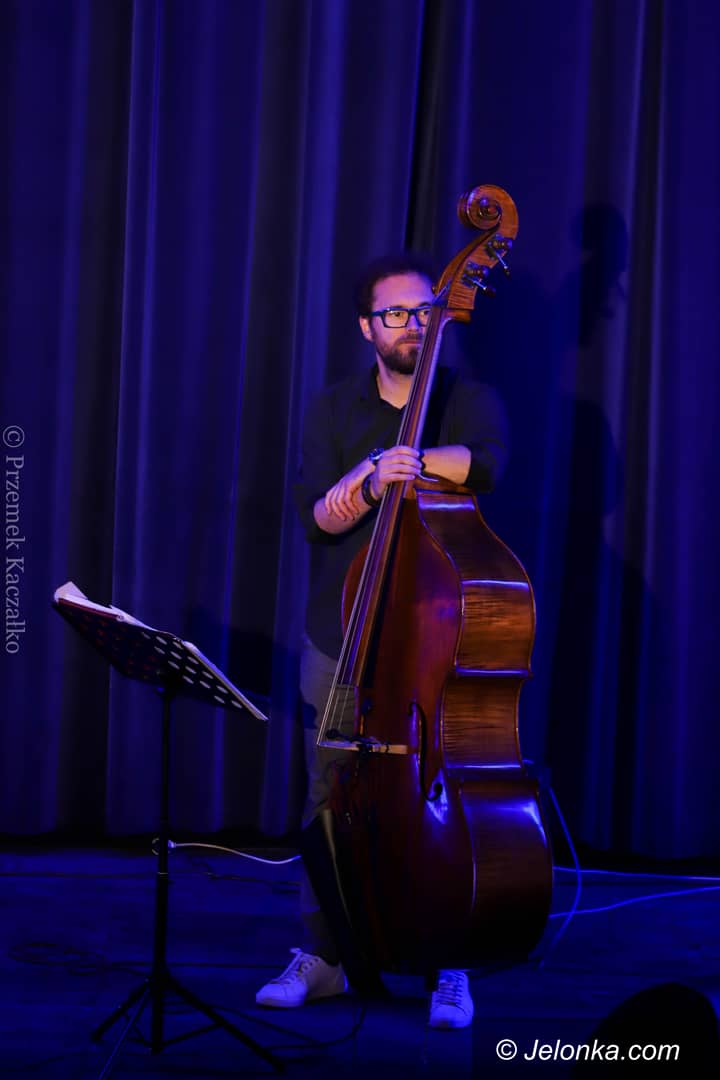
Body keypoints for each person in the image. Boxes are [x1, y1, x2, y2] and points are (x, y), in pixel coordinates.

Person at [255, 253, 509, 1029]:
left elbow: (485, 465)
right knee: (328, 796)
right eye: (395, 314)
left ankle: (448, 961)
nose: (412, 326)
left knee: (444, 801)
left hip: (434, 643)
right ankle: (324, 956)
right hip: (342, 638)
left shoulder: (466, 398)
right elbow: (315, 517)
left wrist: (416, 462)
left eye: (425, 311)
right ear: (367, 327)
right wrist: (371, 478)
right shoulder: (333, 410)